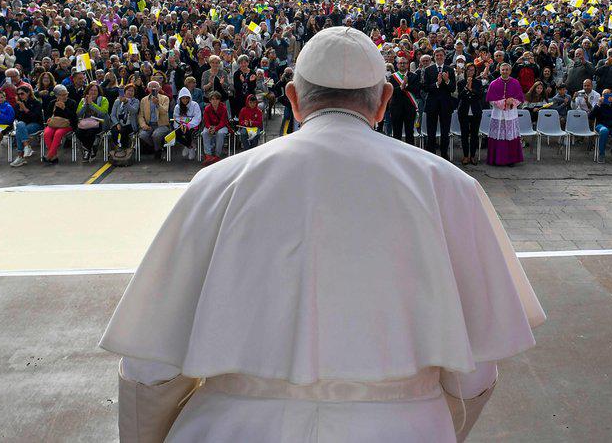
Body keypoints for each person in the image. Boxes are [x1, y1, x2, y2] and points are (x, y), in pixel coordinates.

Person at [100, 26, 543, 443]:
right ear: (384, 100)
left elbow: (150, 366)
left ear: (292, 98)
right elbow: (476, 370)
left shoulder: (219, 183)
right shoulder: (450, 186)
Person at [485, 63, 524, 166]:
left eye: (507, 70)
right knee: (498, 135)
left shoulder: (515, 83)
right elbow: (491, 100)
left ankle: (511, 160)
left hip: (511, 113)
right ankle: (495, 159)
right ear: (500, 70)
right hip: (498, 113)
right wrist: (504, 102)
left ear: (510, 71)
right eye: (503, 70)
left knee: (510, 136)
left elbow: (520, 98)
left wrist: (513, 102)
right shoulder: (493, 83)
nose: (505, 71)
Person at [422, 48, 456, 159]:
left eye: (441, 55)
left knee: (445, 132)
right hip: (432, 105)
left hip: (446, 105)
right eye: (437, 55)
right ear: (434, 57)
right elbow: (426, 88)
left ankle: (444, 155)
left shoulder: (450, 70)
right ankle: (431, 155)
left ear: (444, 56)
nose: (439, 57)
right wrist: (437, 83)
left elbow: (452, 89)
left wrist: (447, 81)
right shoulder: (428, 70)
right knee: (431, 131)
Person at [456, 61, 485, 165]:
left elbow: (479, 96)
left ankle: (472, 156)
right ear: (465, 71)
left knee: (474, 135)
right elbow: (460, 96)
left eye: (472, 70)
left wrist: (471, 89)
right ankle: (465, 156)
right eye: (468, 70)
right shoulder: (460, 82)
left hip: (475, 111)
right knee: (464, 134)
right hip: (463, 111)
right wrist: (467, 87)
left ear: (475, 71)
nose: (470, 71)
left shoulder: (478, 82)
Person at [388, 56, 419, 145]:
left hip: (409, 108)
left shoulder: (414, 76)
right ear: (397, 65)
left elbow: (416, 90)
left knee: (410, 133)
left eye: (404, 63)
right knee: (396, 133)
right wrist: (402, 86)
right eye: (400, 63)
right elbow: (391, 92)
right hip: (396, 108)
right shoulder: (392, 77)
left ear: (408, 65)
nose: (402, 65)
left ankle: (410, 154)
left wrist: (406, 86)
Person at [10, 85, 43, 166]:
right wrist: (21, 111)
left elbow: (36, 117)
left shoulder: (36, 103)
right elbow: (17, 119)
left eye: (22, 94)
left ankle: (20, 156)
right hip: (23, 126)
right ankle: (26, 146)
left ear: (28, 93)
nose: (20, 96)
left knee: (19, 130)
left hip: (36, 124)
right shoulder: (18, 105)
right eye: (18, 94)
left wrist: (25, 109)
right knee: (20, 125)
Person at [42, 84, 75, 165]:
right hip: (54, 123)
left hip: (67, 124)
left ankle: (49, 155)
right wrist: (48, 118)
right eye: (62, 95)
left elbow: (73, 117)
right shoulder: (52, 103)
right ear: (57, 96)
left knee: (58, 133)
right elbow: (47, 115)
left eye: (66, 94)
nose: (64, 96)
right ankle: (54, 156)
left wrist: (64, 108)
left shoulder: (72, 102)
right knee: (46, 133)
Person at [76, 83, 110, 162]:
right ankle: (90, 148)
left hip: (100, 123)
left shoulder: (103, 99)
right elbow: (78, 114)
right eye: (91, 90)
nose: (93, 92)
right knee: (78, 132)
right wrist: (85, 105)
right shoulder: (83, 100)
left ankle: (87, 152)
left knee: (90, 132)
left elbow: (103, 112)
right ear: (87, 91)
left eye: (95, 90)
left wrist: (92, 104)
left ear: (98, 92)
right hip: (86, 123)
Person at [589, 89, 612, 162]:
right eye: (603, 95)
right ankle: (601, 154)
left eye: (607, 95)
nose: (605, 97)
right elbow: (590, 117)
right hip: (602, 125)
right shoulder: (599, 105)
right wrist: (598, 104)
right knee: (604, 131)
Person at [138, 81, 172, 158]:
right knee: (142, 135)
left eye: (156, 86)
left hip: (162, 125)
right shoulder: (144, 100)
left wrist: (157, 104)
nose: (153, 88)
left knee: (156, 135)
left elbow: (164, 112)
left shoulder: (165, 98)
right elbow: (140, 115)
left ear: (160, 88)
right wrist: (143, 125)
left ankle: (157, 150)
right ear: (148, 89)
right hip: (149, 124)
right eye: (151, 87)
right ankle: (157, 147)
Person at [171, 87, 202, 161]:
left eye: (186, 98)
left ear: (189, 98)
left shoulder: (195, 105)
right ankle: (189, 146)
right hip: (181, 125)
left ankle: (189, 147)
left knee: (188, 133)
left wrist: (188, 124)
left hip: (193, 126)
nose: (185, 100)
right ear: (180, 99)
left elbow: (197, 117)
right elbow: (176, 118)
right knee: (176, 134)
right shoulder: (177, 107)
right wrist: (181, 125)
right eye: (183, 98)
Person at [200, 91, 231, 165]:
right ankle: (208, 155)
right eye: (212, 99)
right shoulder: (207, 108)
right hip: (211, 126)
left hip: (222, 126)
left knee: (220, 133)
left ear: (219, 100)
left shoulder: (223, 108)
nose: (215, 101)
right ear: (210, 100)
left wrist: (215, 129)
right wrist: (210, 128)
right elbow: (206, 121)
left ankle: (217, 155)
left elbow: (223, 122)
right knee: (204, 132)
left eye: (217, 99)